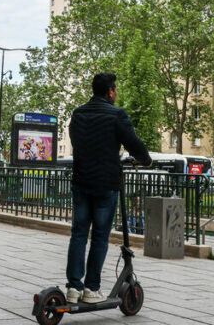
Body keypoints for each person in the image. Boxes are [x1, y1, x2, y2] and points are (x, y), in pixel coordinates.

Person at [65, 72, 151, 305]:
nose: (116, 93)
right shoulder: (116, 115)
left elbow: (77, 142)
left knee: (79, 233)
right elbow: (134, 143)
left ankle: (73, 287)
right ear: (110, 91)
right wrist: (145, 159)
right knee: (100, 236)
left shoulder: (78, 114)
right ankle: (91, 288)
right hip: (106, 184)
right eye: (116, 90)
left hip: (81, 181)